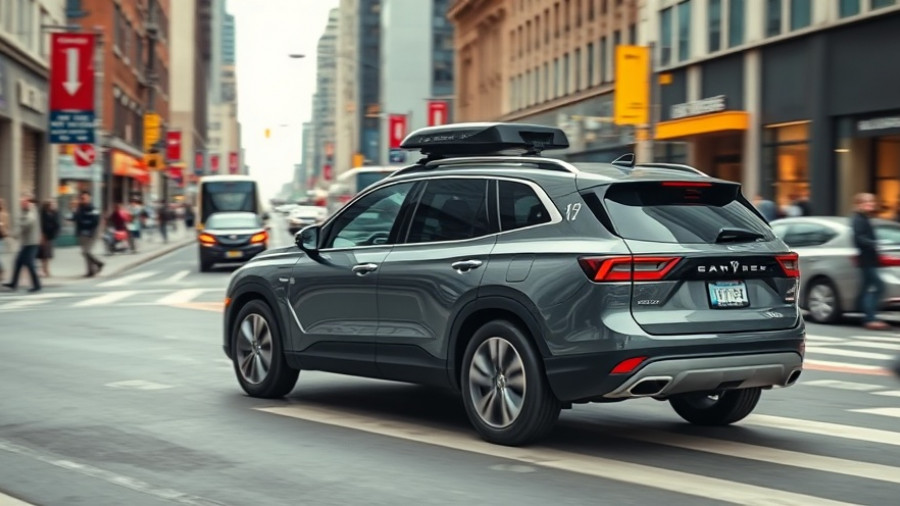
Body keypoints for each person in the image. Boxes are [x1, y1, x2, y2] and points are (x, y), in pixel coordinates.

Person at [851, 193, 889, 330]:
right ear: (859, 204)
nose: (871, 205)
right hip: (866, 259)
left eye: (871, 202)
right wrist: (874, 243)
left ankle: (862, 312)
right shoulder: (858, 219)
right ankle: (870, 318)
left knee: (866, 288)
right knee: (878, 286)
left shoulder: (864, 218)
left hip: (869, 259)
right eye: (867, 202)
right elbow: (859, 238)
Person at [3, 196, 41, 292]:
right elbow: (21, 225)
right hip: (26, 243)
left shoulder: (32, 211)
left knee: (29, 264)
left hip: (32, 243)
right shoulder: (25, 211)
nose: (22, 204)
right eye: (21, 203)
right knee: (18, 262)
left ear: (28, 203)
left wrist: (12, 234)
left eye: (24, 202)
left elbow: (26, 223)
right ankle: (13, 283)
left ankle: (37, 285)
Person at [72, 191, 104, 276]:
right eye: (82, 198)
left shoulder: (94, 208)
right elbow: (75, 218)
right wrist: (75, 209)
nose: (83, 200)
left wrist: (84, 223)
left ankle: (99, 263)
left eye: (85, 198)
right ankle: (90, 271)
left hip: (92, 233)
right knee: (85, 253)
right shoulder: (79, 208)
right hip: (82, 233)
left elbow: (95, 221)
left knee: (87, 252)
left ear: (89, 198)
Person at [38, 199, 61, 277]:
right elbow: (42, 224)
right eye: (51, 204)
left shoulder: (54, 213)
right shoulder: (43, 213)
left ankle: (45, 269)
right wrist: (42, 235)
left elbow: (57, 224)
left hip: (50, 236)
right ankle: (45, 270)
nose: (53, 205)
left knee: (47, 254)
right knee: (44, 254)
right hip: (44, 236)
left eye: (54, 204)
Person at [0, 198, 9, 281]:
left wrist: (2, 225)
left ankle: (2, 271)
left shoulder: (4, 214)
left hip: (1, 238)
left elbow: (5, 226)